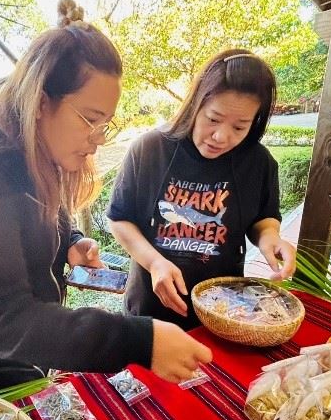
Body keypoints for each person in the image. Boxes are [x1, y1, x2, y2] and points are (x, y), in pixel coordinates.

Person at [0, 0, 212, 391]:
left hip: (19, 359)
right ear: (40, 101)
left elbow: (34, 214)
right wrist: (141, 340)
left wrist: (69, 242)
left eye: (105, 123)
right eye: (90, 119)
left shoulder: (32, 149)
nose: (98, 140)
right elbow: (5, 321)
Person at [107, 49, 296, 331]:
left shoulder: (259, 162)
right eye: (213, 119)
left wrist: (270, 238)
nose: (221, 136)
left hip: (223, 312)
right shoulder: (150, 149)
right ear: (196, 103)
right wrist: (155, 262)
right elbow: (119, 219)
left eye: (239, 127)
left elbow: (264, 218)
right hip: (149, 312)